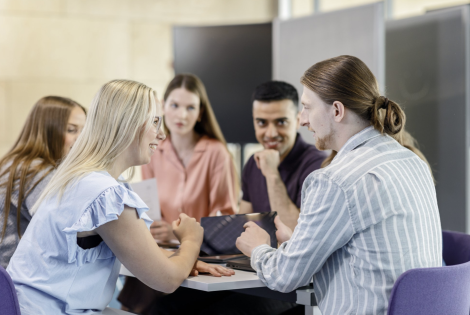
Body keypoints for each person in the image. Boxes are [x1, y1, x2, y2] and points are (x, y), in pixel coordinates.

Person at [236, 55, 442, 315]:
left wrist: (258, 249)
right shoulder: (412, 161)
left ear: (336, 110)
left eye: (307, 108)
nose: (302, 120)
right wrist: (299, 245)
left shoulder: (335, 180)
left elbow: (285, 277)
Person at [7, 80, 233, 315]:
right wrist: (191, 241)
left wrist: (180, 259)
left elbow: (136, 250)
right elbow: (166, 280)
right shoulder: (106, 195)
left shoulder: (76, 179)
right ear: (128, 124)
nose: (162, 134)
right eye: (155, 121)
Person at [142, 74, 238, 241]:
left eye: (191, 108)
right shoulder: (152, 151)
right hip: (162, 252)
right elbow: (149, 213)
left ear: (200, 112)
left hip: (206, 254)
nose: (182, 115)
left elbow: (225, 221)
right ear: (163, 107)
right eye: (175, 105)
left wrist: (178, 233)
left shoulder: (217, 153)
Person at [0, 96, 86, 268]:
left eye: (84, 131)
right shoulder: (37, 171)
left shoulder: (16, 162)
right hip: (12, 280)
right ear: (48, 131)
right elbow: (67, 227)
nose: (81, 138)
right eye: (71, 130)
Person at [239, 81, 326, 230]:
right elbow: (241, 227)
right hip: (260, 253)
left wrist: (272, 174)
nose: (271, 133)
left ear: (298, 120)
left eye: (281, 122)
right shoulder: (253, 163)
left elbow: (298, 234)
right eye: (261, 122)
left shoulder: (317, 165)